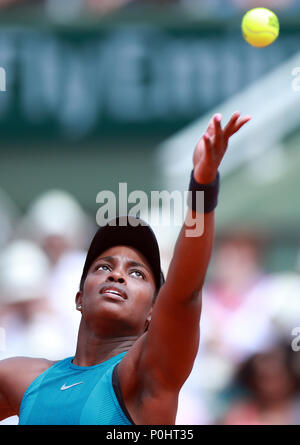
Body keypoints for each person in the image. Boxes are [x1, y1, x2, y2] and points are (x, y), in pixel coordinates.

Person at [0, 111, 251, 425]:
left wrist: (202, 187)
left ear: (153, 311)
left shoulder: (146, 374)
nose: (117, 274)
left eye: (137, 273)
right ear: (79, 297)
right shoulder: (20, 378)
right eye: (104, 266)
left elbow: (185, 293)